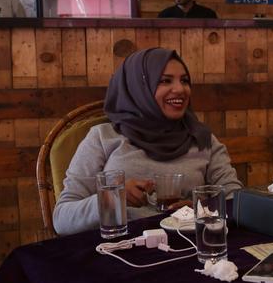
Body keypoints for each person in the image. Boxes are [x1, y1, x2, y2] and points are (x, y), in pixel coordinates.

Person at [53, 48, 242, 234]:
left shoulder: (202, 139)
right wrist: (112, 198)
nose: (180, 89)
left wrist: (201, 208)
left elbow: (236, 201)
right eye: (165, 81)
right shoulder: (103, 137)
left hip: (188, 248)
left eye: (184, 81)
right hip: (119, 250)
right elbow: (62, 219)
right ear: (138, 86)